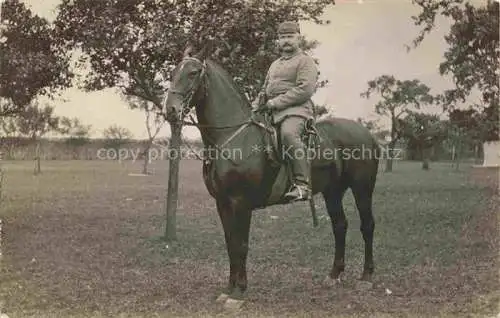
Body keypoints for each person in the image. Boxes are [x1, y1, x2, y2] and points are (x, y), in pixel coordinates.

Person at [252, 20, 319, 202]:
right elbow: (265, 89)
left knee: (289, 135)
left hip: (297, 110)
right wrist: (256, 105)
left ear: (298, 38)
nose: (286, 41)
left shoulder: (305, 61)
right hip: (272, 112)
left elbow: (304, 89)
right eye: (282, 37)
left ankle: (302, 185)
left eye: (290, 36)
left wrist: (275, 103)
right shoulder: (275, 64)